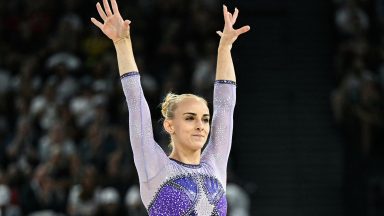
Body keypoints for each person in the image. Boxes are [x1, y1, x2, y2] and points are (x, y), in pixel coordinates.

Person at [91, 0, 250, 215]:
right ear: (169, 125)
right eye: (190, 118)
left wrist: (225, 48)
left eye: (204, 119)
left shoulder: (215, 164)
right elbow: (136, 102)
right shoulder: (155, 167)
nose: (200, 125)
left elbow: (224, 106)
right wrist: (122, 43)